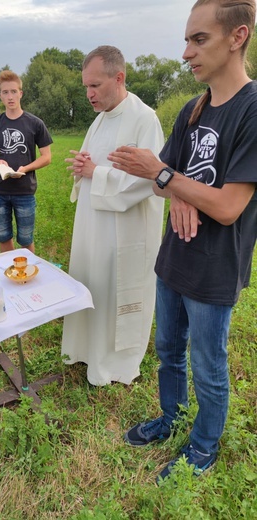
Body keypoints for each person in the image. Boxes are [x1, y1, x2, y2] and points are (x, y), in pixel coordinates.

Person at [108, 0, 257, 482]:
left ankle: (204, 446)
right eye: (186, 40)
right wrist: (176, 190)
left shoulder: (251, 111)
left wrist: (168, 177)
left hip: (214, 265)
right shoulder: (194, 110)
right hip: (174, 255)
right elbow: (161, 182)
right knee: (168, 349)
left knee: (207, 363)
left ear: (238, 36)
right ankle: (170, 418)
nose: (186, 53)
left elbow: (230, 204)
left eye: (199, 40)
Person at [61, 46, 165, 386]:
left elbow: (147, 180)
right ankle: (87, 350)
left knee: (114, 288)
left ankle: (114, 364)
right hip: (93, 225)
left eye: (95, 86)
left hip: (125, 230)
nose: (89, 94)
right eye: (85, 87)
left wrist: (95, 172)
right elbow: (92, 165)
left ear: (118, 78)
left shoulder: (143, 119)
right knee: (93, 281)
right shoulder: (100, 119)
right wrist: (82, 168)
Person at [0, 70, 53, 253]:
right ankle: (10, 273)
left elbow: (47, 157)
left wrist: (26, 168)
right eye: (5, 92)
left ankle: (28, 276)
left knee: (26, 239)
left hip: (24, 190)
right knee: (3, 236)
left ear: (21, 93)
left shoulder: (35, 123)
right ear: (0, 95)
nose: (10, 96)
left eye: (14, 91)